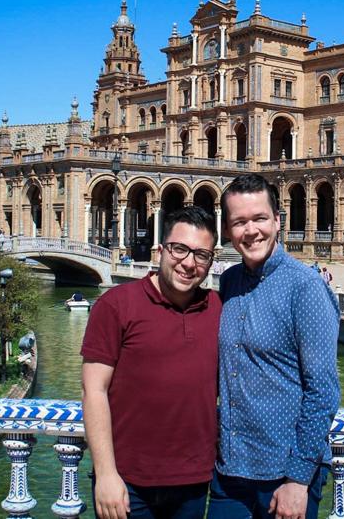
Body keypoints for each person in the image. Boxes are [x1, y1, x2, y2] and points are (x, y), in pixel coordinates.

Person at [212, 174, 340, 519]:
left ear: (278, 221)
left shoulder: (306, 287)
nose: (251, 231)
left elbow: (324, 391)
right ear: (227, 230)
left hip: (283, 474)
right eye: (239, 222)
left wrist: (297, 479)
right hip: (229, 470)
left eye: (259, 219)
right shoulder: (230, 281)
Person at [81, 205, 220, 519]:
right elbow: (94, 391)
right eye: (179, 249)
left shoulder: (217, 309)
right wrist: (105, 474)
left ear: (211, 261)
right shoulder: (115, 305)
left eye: (201, 255)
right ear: (161, 251)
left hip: (194, 483)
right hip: (127, 484)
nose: (189, 263)